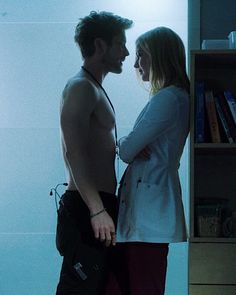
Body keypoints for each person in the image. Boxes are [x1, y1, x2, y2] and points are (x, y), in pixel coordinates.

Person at [55, 11, 133, 295]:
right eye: (120, 43)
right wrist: (96, 209)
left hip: (98, 206)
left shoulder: (92, 87)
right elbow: (73, 153)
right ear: (100, 45)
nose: (126, 52)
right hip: (88, 207)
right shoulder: (80, 88)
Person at [109, 27, 190, 295]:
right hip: (144, 214)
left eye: (141, 55)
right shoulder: (173, 98)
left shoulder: (168, 98)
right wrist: (131, 145)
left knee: (143, 287)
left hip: (148, 216)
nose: (135, 63)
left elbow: (128, 150)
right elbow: (134, 147)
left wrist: (124, 144)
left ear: (159, 56)